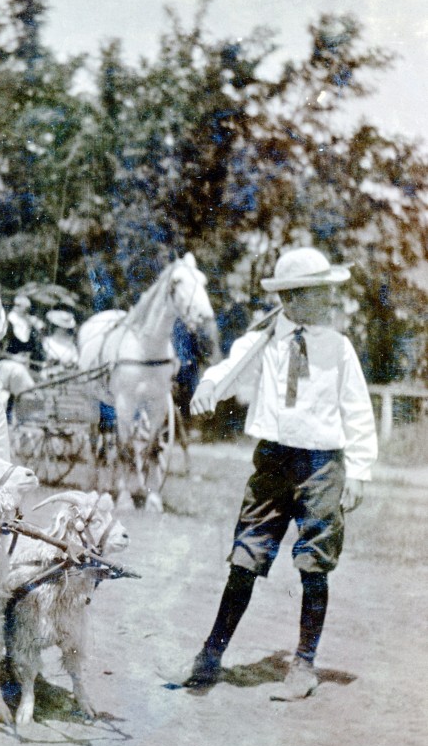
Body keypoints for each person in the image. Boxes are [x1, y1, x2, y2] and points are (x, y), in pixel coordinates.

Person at [160, 246, 377, 701]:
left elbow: (357, 411)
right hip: (272, 464)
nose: (330, 302)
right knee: (245, 558)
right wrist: (210, 388)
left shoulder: (338, 348)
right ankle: (210, 656)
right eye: (321, 294)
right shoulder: (265, 341)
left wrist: (358, 472)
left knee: (313, 564)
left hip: (321, 466)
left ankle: (304, 663)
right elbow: (229, 369)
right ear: (293, 299)